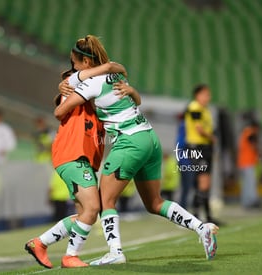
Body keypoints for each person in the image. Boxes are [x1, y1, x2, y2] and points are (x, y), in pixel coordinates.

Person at [54, 35, 218, 265]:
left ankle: (115, 252)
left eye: (75, 63)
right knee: (154, 203)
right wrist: (129, 90)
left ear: (86, 63)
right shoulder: (118, 75)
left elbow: (60, 112)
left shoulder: (90, 83)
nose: (73, 68)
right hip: (150, 139)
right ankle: (202, 228)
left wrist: (67, 90)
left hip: (130, 141)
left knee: (105, 199)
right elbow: (136, 98)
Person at [24, 62, 128, 268]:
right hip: (72, 157)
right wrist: (67, 83)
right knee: (93, 208)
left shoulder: (97, 109)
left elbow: (117, 74)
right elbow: (71, 86)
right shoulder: (72, 97)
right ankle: (70, 256)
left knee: (85, 215)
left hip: (81, 161)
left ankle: (40, 243)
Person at [184, 84, 217, 223]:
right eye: (205, 94)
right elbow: (198, 128)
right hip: (197, 147)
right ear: (197, 95)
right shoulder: (194, 107)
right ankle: (200, 216)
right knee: (203, 182)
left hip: (205, 147)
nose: (207, 97)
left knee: (204, 182)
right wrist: (212, 138)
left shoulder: (205, 110)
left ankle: (203, 216)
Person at [237, 120, 262, 209]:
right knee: (250, 182)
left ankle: (246, 202)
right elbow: (252, 142)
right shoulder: (250, 132)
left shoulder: (245, 132)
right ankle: (252, 201)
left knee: (246, 183)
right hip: (248, 162)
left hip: (244, 162)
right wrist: (258, 152)